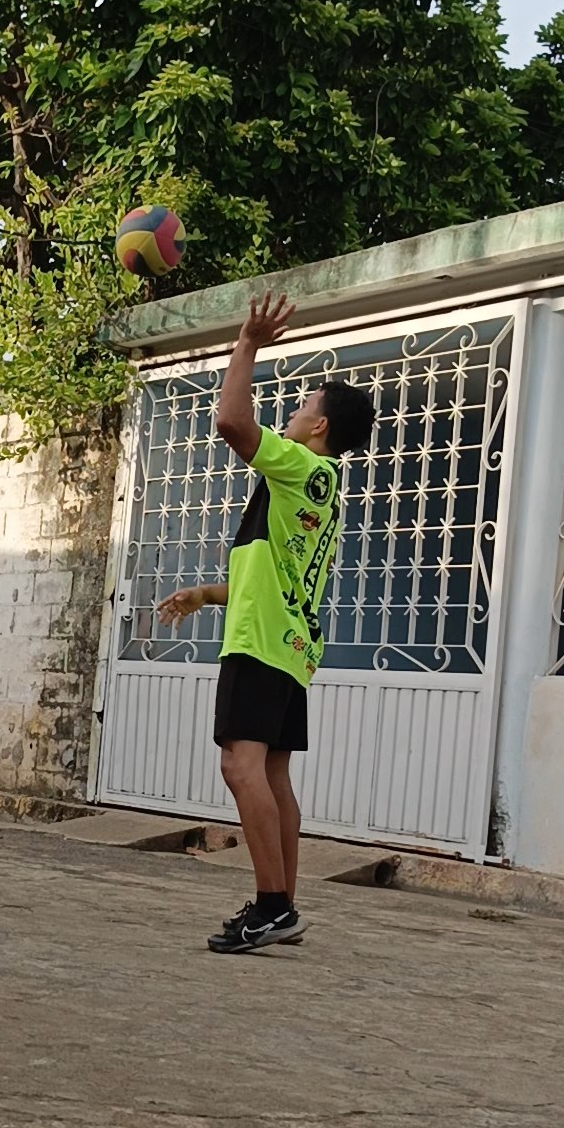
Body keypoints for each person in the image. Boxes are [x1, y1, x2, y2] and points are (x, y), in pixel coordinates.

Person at [157, 294, 375, 953]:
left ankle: (273, 906)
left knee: (239, 765)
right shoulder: (322, 488)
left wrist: (248, 342)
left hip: (261, 644)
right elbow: (275, 579)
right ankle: (283, 909)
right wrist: (208, 593)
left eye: (304, 405)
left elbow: (230, 419)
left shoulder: (299, 464)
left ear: (319, 425)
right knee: (273, 775)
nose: (294, 412)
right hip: (291, 644)